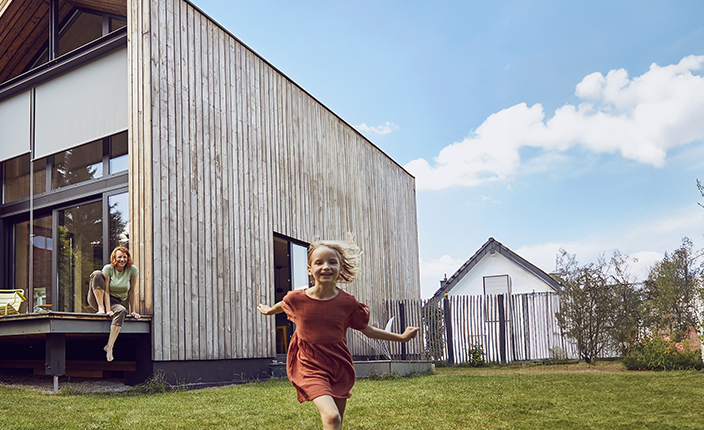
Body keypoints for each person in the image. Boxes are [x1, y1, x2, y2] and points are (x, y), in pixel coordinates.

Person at [257, 236, 419, 430]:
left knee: (337, 422)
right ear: (310, 269)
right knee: (332, 416)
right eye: (319, 262)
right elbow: (283, 305)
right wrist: (268, 311)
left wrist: (400, 337)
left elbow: (367, 330)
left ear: (340, 268)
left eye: (332, 262)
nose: (326, 266)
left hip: (339, 364)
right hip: (309, 364)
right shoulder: (297, 298)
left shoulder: (348, 303)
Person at [87, 246, 141, 362]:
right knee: (97, 274)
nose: (122, 259)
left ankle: (109, 346)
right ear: (114, 258)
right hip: (98, 298)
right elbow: (106, 291)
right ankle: (100, 308)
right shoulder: (109, 268)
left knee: (122, 310)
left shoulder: (132, 270)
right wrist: (106, 310)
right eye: (119, 257)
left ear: (128, 258)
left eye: (124, 257)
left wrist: (133, 311)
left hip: (115, 302)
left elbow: (131, 292)